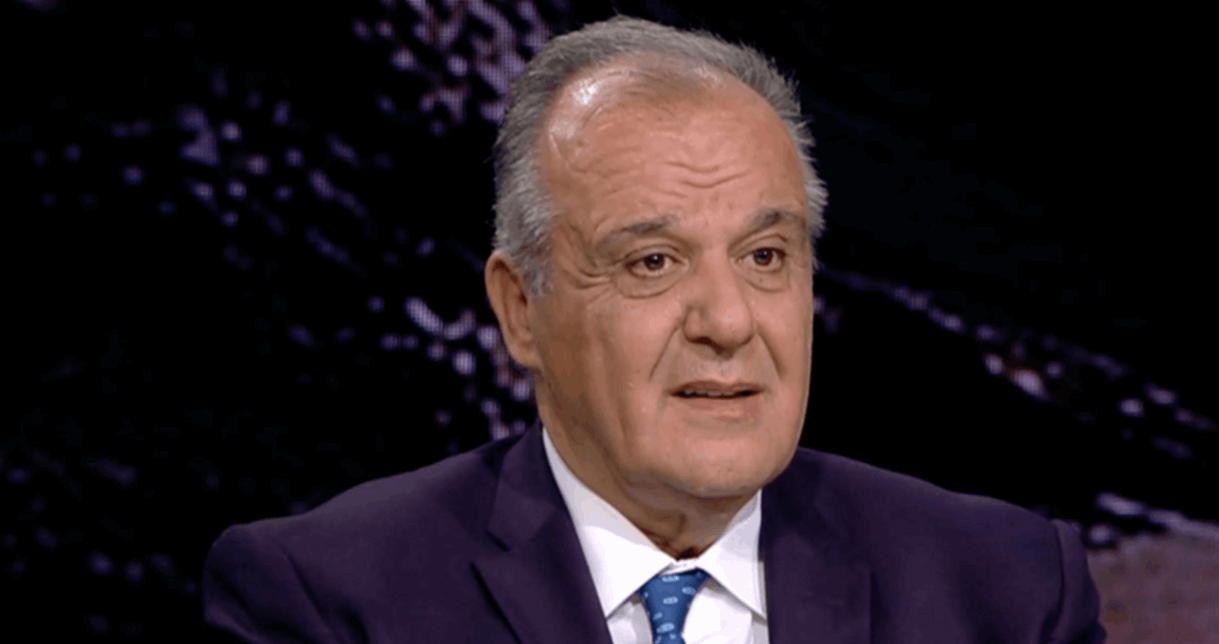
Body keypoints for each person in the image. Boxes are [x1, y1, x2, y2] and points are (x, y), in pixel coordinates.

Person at [203, 15, 1106, 644]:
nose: (728, 322)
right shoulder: (329, 602)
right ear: (521, 309)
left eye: (765, 256)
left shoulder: (1006, 592)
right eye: (653, 263)